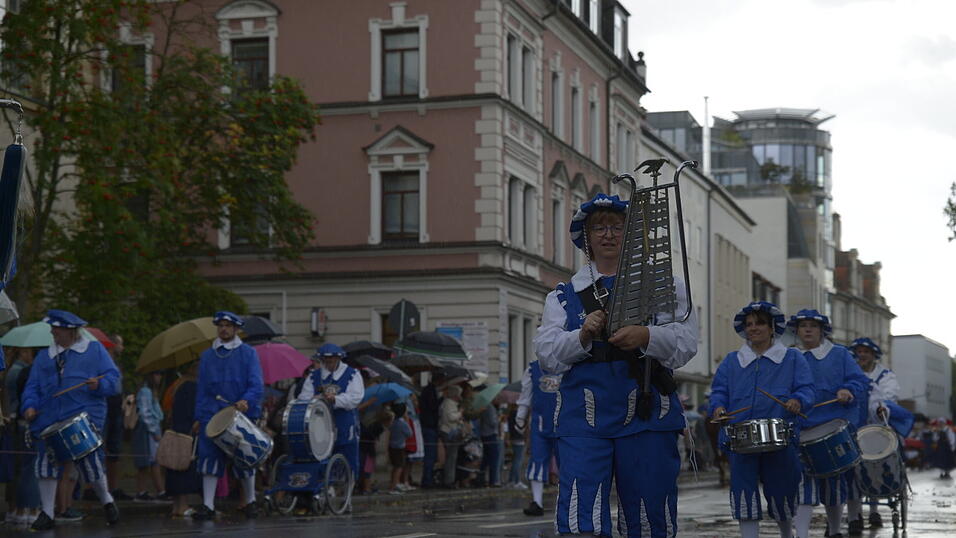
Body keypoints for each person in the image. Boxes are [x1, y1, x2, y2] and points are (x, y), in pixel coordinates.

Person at [534, 193, 699, 536]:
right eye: (599, 227)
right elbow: (547, 355)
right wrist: (582, 335)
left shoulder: (664, 285)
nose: (608, 234)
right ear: (587, 237)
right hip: (583, 416)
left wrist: (646, 335)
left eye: (617, 226)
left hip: (647, 414)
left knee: (649, 517)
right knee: (581, 517)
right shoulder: (564, 295)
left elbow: (685, 344)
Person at [710, 301, 815, 538]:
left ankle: (787, 534)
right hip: (740, 438)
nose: (753, 328)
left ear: (771, 328)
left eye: (759, 323)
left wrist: (798, 400)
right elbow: (719, 391)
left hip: (780, 436)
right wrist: (718, 407)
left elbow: (807, 388)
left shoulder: (792, 358)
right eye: (749, 324)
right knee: (743, 492)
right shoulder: (732, 360)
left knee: (782, 490)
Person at [20, 310, 122, 531]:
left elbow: (114, 379)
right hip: (48, 418)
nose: (52, 332)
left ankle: (107, 500)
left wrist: (100, 385)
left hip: (82, 417)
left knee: (90, 463)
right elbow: (32, 386)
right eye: (52, 328)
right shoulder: (44, 356)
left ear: (70, 331)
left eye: (56, 329)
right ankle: (47, 513)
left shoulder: (94, 350)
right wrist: (29, 406)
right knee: (45, 463)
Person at [789, 309, 869, 538]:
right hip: (800, 428)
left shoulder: (839, 354)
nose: (807, 330)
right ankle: (801, 534)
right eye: (803, 326)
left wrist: (847, 390)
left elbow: (859, 380)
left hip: (831, 427)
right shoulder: (791, 356)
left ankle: (834, 531)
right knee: (802, 484)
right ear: (796, 330)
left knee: (833, 483)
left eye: (813, 326)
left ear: (822, 330)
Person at [192, 311, 264, 520]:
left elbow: (256, 384)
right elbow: (202, 389)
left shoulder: (248, 353)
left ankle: (250, 501)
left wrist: (246, 400)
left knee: (245, 456)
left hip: (240, 413)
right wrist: (199, 416)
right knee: (208, 456)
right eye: (220, 325)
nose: (223, 329)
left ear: (236, 329)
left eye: (228, 326)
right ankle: (208, 505)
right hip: (211, 413)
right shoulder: (207, 355)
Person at [846, 337, 906, 532]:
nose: (862, 355)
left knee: (874, 466)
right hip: (853, 428)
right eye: (859, 352)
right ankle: (855, 514)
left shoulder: (884, 375)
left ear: (874, 355)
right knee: (852, 472)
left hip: (877, 426)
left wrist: (881, 409)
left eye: (866, 352)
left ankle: (873, 510)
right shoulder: (849, 374)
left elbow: (889, 397)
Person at [296, 343, 363, 490]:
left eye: (332, 359)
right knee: (321, 454)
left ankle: (346, 488)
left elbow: (355, 397)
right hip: (320, 423)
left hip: (344, 421)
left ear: (338, 358)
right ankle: (324, 487)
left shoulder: (352, 374)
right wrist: (313, 399)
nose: (329, 362)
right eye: (326, 360)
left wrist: (336, 399)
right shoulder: (314, 376)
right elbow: (303, 398)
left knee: (347, 454)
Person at [515, 359, 561, 516]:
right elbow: (525, 396)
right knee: (537, 460)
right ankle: (537, 501)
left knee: (567, 462)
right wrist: (520, 417)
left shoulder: (568, 365)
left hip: (564, 424)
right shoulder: (533, 369)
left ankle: (567, 501)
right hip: (540, 424)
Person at [165, 362, 201, 517]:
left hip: (175, 431)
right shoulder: (191, 387)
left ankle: (176, 505)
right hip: (187, 432)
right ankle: (183, 505)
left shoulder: (177, 385)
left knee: (174, 466)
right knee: (184, 467)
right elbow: (192, 411)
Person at [133, 370, 166, 501]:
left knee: (153, 461)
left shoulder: (152, 392)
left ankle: (157, 490)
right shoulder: (145, 391)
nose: (159, 377)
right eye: (157, 374)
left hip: (152, 430)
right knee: (149, 461)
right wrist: (154, 431)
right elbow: (145, 413)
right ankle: (150, 490)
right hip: (147, 432)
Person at [418, 371, 444, 488]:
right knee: (430, 455)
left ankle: (427, 479)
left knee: (431, 455)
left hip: (428, 425)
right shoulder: (430, 390)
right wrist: (442, 399)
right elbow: (433, 407)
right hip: (429, 425)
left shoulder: (428, 389)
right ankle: (427, 480)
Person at [438, 384, 464, 488]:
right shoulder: (449, 403)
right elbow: (451, 417)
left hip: (451, 431)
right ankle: (449, 480)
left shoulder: (450, 403)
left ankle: (450, 478)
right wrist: (460, 413)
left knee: (452, 456)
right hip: (449, 432)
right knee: (451, 457)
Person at [387, 401, 412, 494]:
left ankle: (394, 483)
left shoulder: (393, 422)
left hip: (392, 446)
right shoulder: (402, 423)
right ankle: (393, 487)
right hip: (399, 447)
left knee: (395, 466)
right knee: (399, 467)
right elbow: (409, 433)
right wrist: (407, 420)